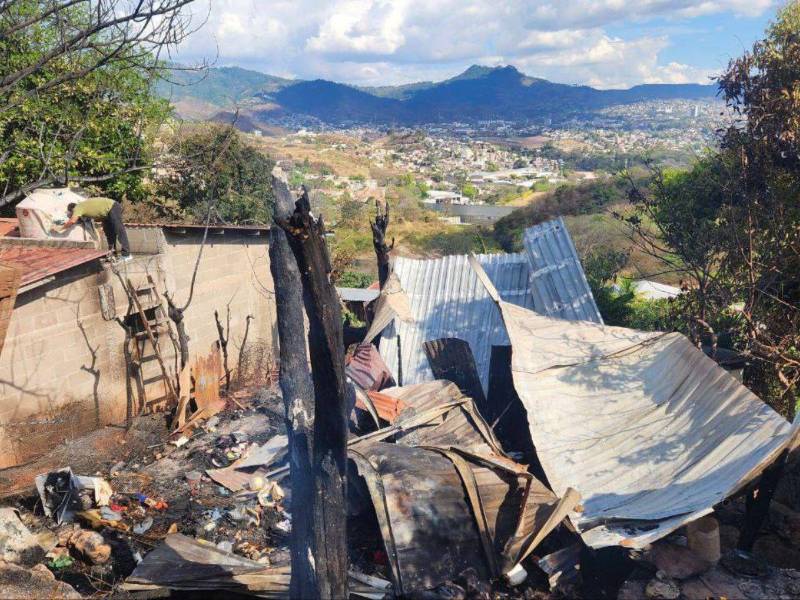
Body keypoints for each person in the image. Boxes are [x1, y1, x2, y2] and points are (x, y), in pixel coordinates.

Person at [56, 197, 131, 261]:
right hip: (106, 214)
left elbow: (72, 221)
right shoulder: (83, 207)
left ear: (72, 209)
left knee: (119, 230)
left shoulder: (78, 208)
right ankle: (112, 253)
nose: (72, 215)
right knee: (109, 233)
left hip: (112, 207)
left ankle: (126, 254)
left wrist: (60, 228)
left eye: (71, 213)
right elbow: (83, 219)